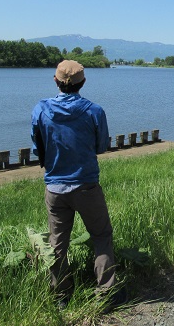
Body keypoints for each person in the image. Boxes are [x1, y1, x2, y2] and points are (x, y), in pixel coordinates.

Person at [31, 60, 124, 309]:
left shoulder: (40, 110)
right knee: (101, 236)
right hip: (86, 185)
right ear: (82, 83)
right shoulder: (94, 111)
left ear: (55, 81)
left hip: (54, 187)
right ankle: (106, 292)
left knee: (57, 242)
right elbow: (101, 146)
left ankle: (61, 295)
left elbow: (37, 147)